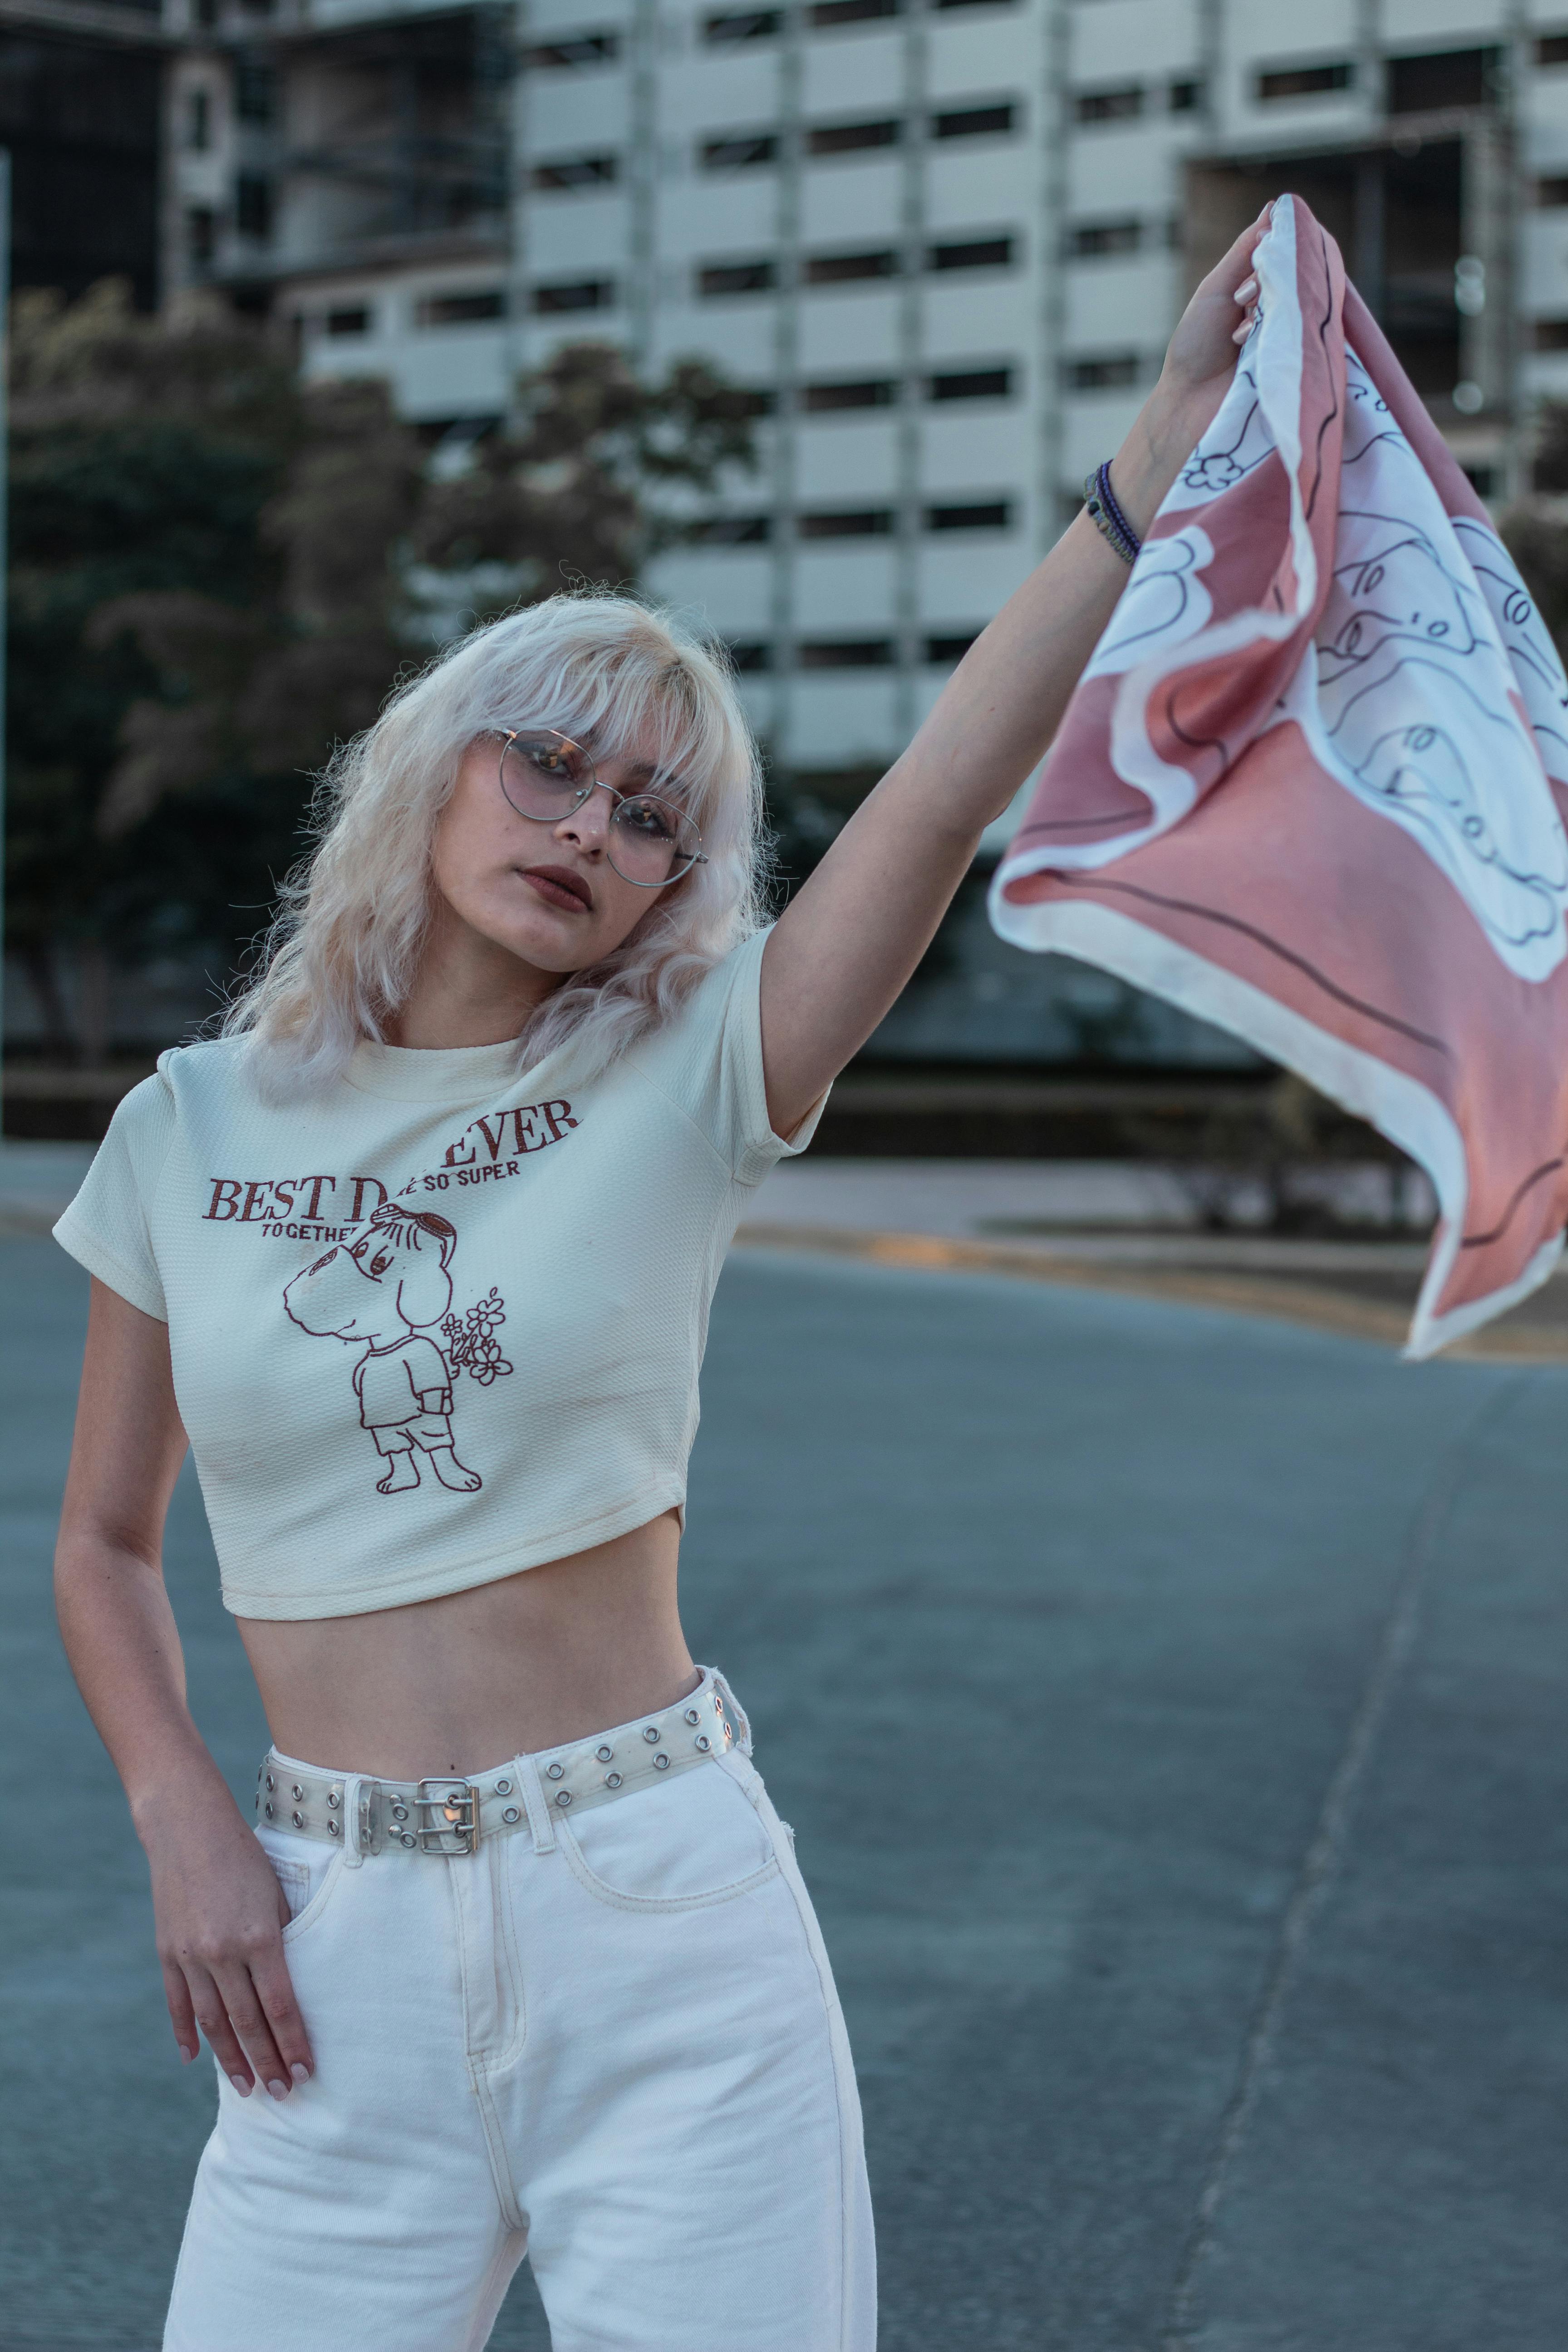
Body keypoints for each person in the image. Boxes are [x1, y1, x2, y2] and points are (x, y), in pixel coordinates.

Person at [51, 224, 1264, 2352]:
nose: (588, 825)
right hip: (320, 1943)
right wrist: (181, 1818)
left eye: (649, 817)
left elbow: (942, 788)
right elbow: (101, 1541)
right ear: (437, 763)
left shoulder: (695, 1073)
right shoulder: (190, 1123)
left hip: (658, 1917)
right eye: (548, 761)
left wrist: (1147, 464)